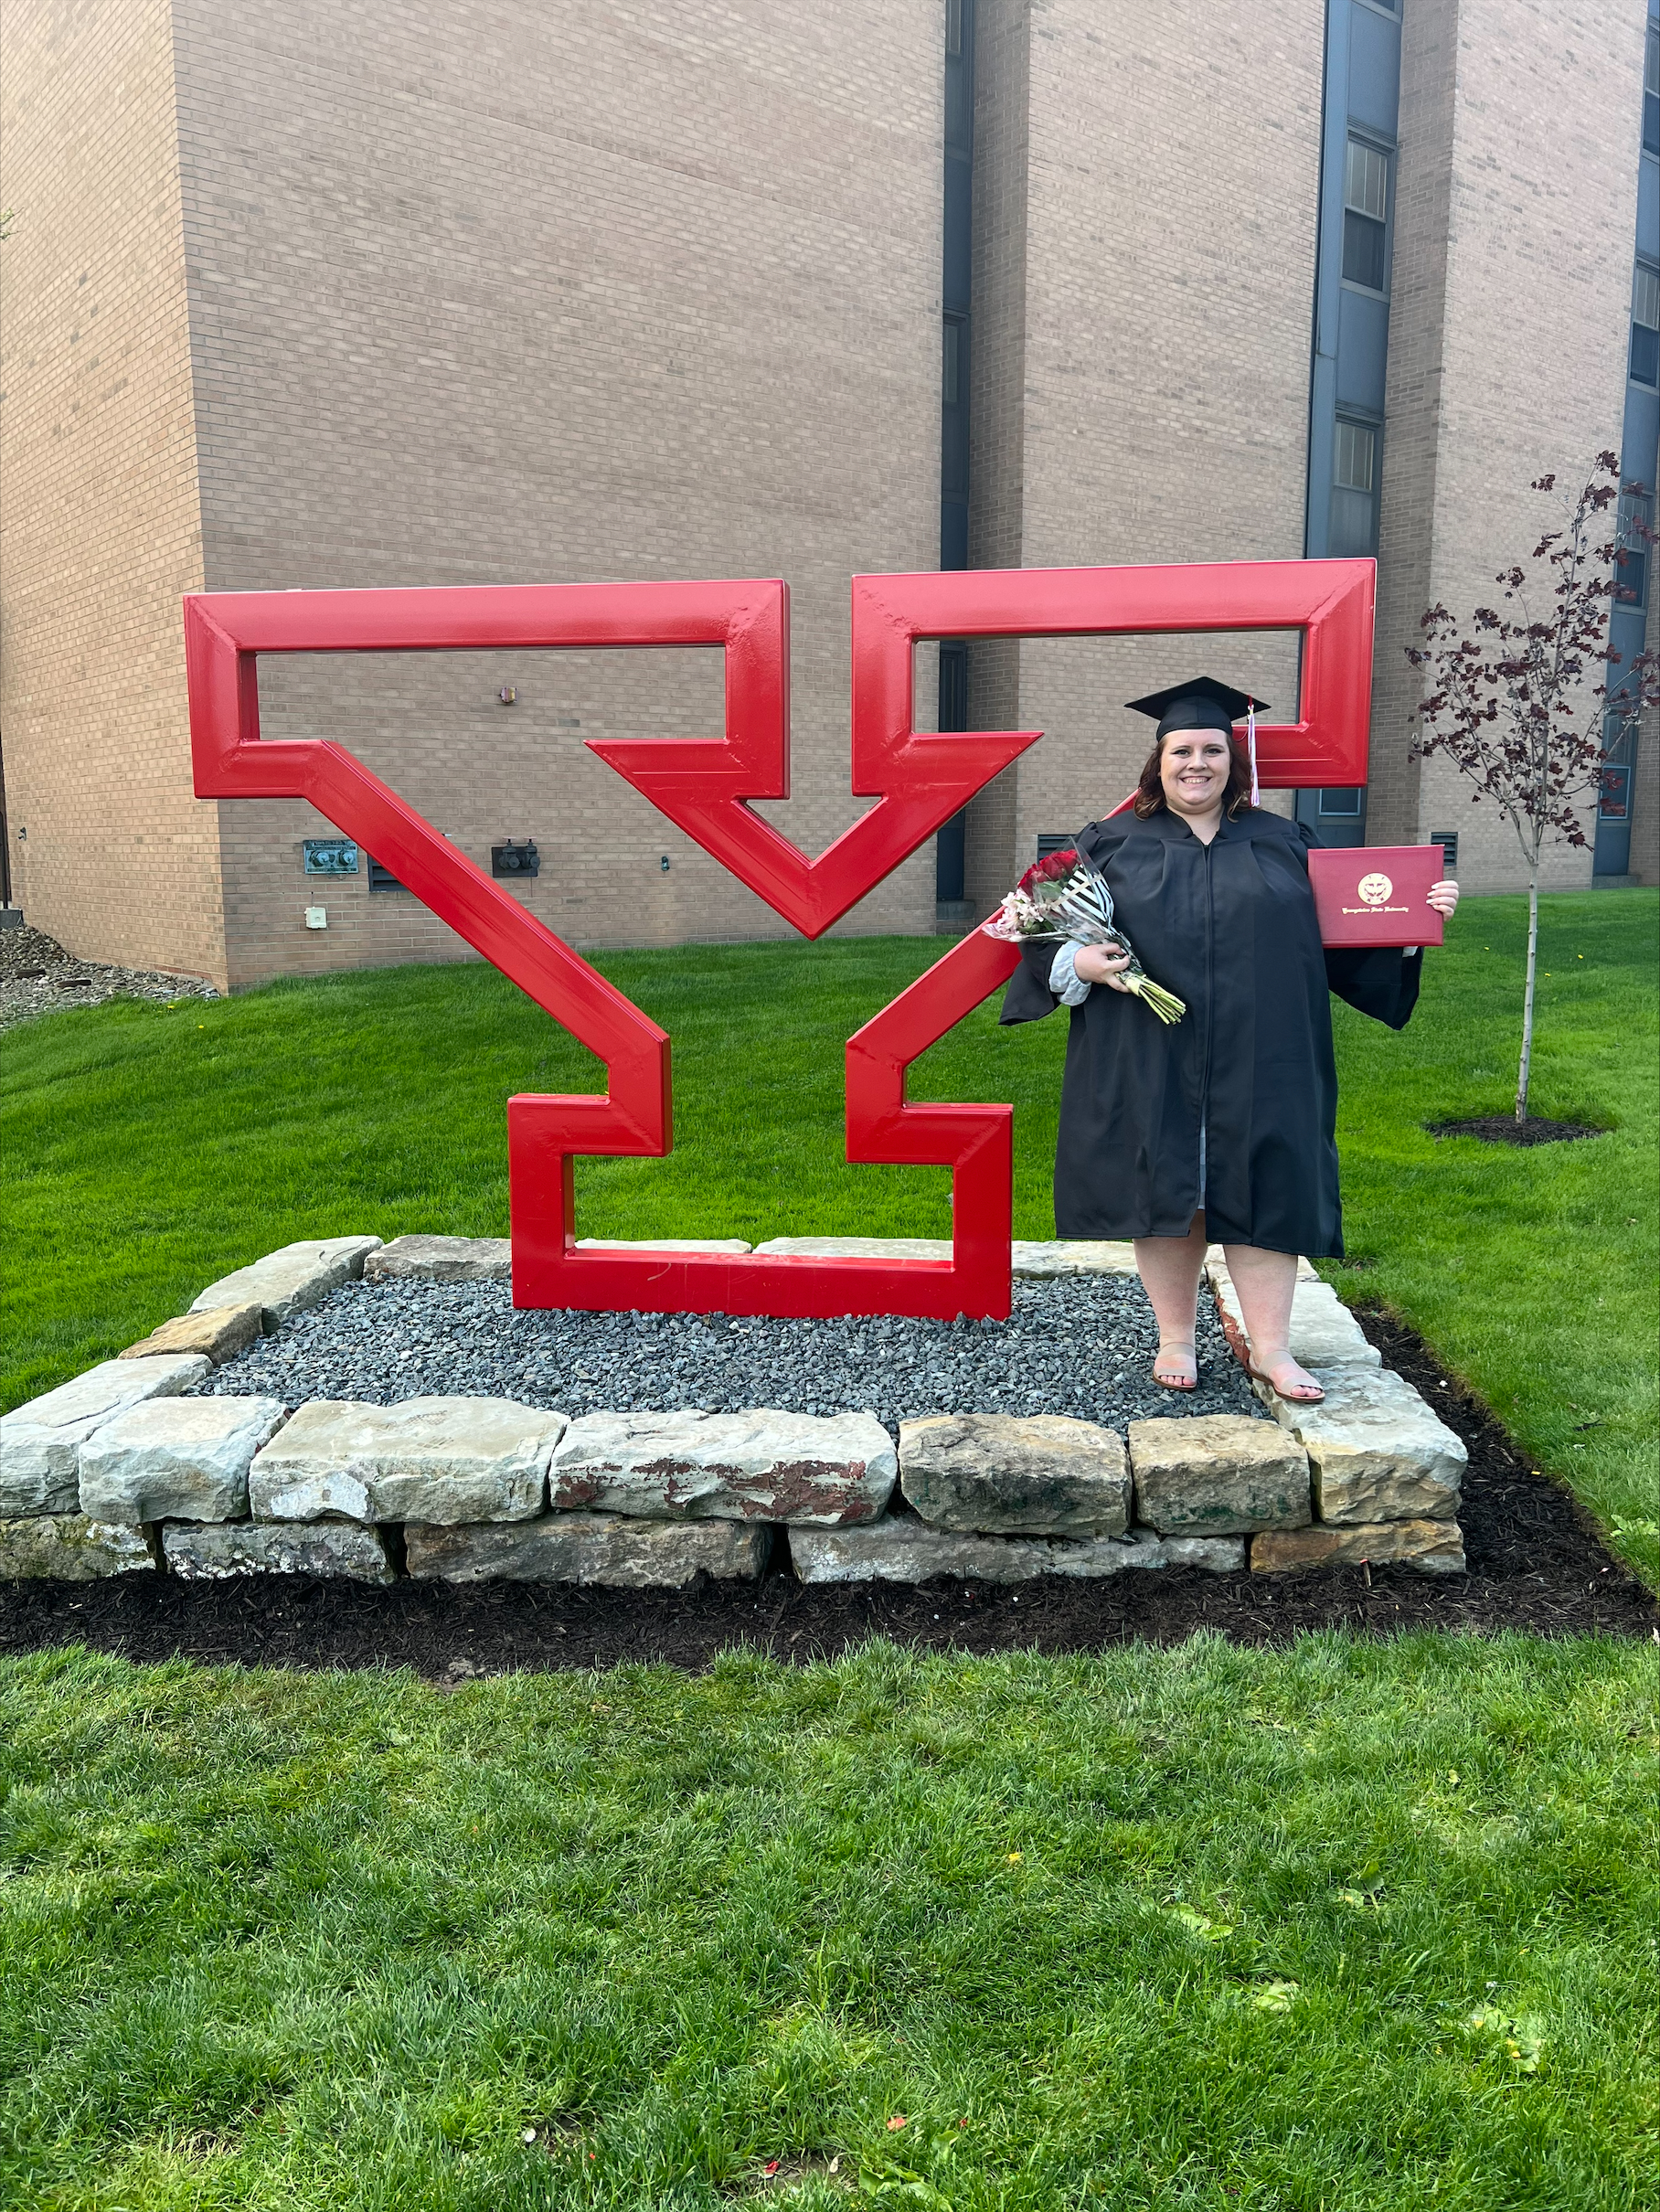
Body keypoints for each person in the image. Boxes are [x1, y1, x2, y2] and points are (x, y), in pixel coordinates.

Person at [1000, 676, 1460, 1402]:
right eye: (1181, 749)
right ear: (1157, 762)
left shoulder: (1284, 840)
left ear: (1231, 761)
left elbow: (1343, 936)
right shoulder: (1109, 844)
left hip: (1266, 1050)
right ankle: (1175, 1338)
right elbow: (1039, 927)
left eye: (1212, 749)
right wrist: (1080, 962)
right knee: (1164, 1188)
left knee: (1268, 1185)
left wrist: (1416, 920)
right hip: (1148, 1050)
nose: (1197, 763)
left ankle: (1272, 1350)